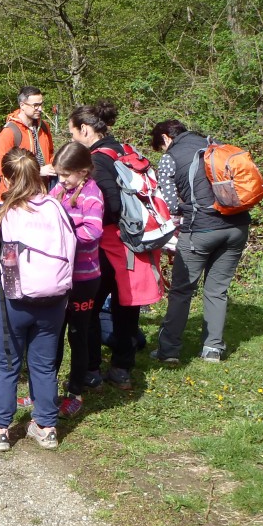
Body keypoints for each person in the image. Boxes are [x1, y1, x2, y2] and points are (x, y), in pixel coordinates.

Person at [0, 149, 72, 451]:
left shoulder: (1, 211)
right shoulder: (56, 207)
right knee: (44, 366)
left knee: (6, 364)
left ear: (6, 176)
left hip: (13, 302)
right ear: (39, 174)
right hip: (54, 299)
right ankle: (45, 426)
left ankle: (0, 427)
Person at [68, 101, 164, 390]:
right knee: (126, 304)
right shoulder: (124, 150)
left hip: (110, 242)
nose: (72, 138)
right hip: (134, 242)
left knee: (89, 307)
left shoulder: (97, 160)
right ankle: (122, 368)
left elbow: (111, 202)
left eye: (73, 132)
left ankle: (91, 369)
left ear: (84, 129)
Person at [149, 120, 250, 364]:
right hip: (236, 227)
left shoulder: (170, 157)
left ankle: (169, 350)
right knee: (217, 290)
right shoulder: (214, 145)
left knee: (182, 290)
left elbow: (171, 204)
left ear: (165, 138)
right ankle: (212, 349)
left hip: (200, 229)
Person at [37, 142, 103, 418]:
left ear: (84, 171)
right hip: (60, 276)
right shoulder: (60, 189)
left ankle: (75, 391)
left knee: (78, 335)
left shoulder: (92, 195)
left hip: (84, 278)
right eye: (59, 174)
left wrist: (65, 236)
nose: (61, 179)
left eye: (66, 175)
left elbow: (94, 231)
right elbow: (48, 210)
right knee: (53, 334)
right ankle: (45, 390)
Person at [0, 86, 56, 198]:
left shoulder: (44, 127)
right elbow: (3, 170)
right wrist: (37, 171)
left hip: (41, 194)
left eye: (41, 104)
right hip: (16, 197)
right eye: (35, 105)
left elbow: (50, 154)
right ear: (22, 105)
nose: (40, 109)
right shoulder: (10, 132)